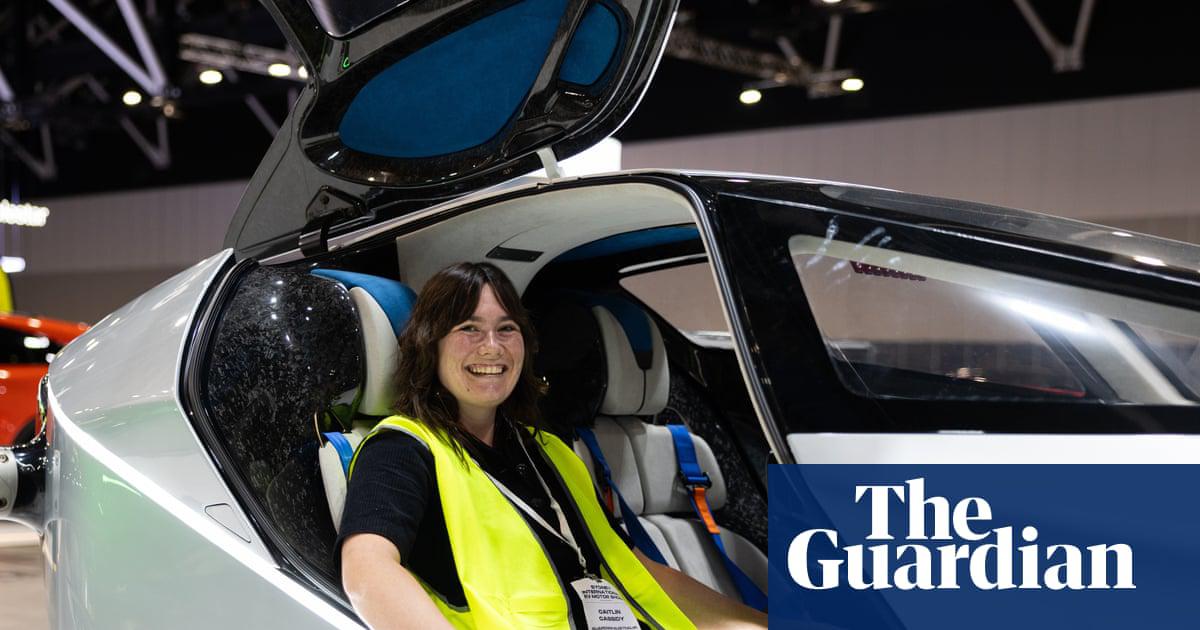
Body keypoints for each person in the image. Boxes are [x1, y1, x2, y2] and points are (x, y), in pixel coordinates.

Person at [338, 261, 767, 630]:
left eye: (507, 329)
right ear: (430, 345)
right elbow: (367, 571)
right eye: (468, 328)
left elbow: (635, 568)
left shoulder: (548, 450)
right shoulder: (401, 448)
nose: (492, 347)